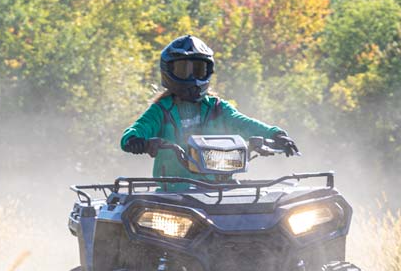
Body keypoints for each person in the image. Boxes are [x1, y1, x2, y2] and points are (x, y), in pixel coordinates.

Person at [120, 35, 298, 181]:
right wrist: (135, 140)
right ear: (169, 71)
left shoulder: (217, 108)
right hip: (172, 195)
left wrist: (275, 134)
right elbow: (139, 128)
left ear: (208, 71)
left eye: (198, 70)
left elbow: (243, 123)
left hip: (221, 189)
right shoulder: (162, 110)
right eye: (184, 70)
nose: (192, 77)